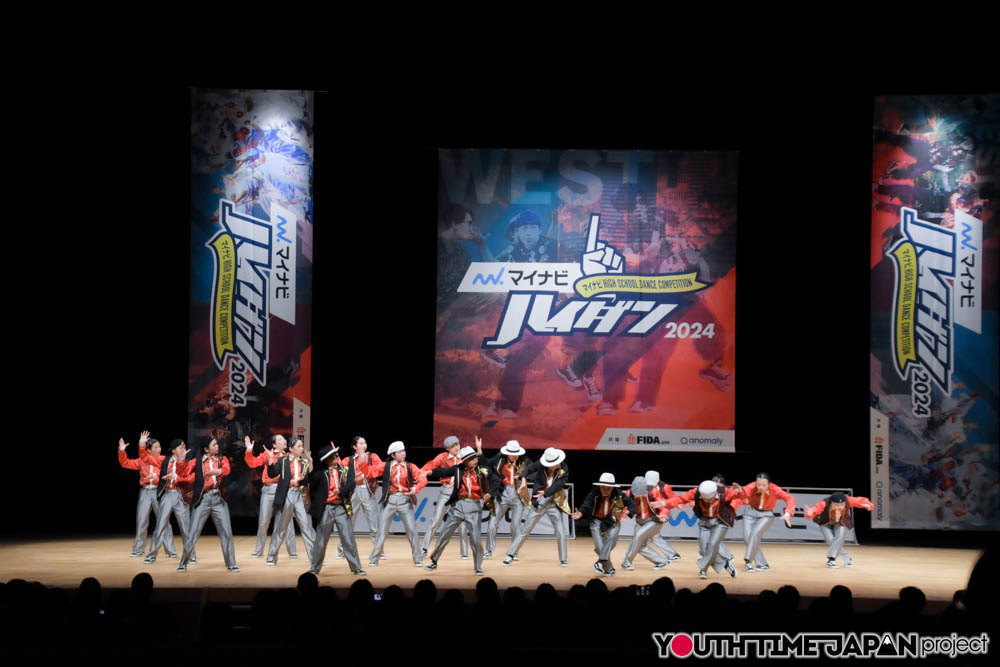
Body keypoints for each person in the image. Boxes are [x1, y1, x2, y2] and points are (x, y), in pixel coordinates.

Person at [423, 446, 495, 575]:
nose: (475, 461)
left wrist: (489, 493)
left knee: (476, 539)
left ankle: (478, 566)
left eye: (475, 458)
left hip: (474, 506)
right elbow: (442, 471)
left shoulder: (482, 470)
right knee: (444, 534)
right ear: (465, 461)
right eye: (472, 459)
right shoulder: (458, 469)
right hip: (458, 506)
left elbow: (496, 480)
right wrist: (428, 472)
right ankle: (434, 560)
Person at [177, 437, 238, 572]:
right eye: (214, 445)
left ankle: (231, 563)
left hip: (218, 499)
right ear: (206, 449)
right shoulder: (197, 462)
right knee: (193, 532)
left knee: (226, 532)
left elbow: (227, 469)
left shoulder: (221, 460)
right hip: (203, 499)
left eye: (216, 444)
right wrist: (181, 460)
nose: (217, 446)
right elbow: (184, 472)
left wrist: (218, 471)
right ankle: (183, 563)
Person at [502, 447, 570, 567]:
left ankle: (563, 559)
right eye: (555, 463)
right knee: (525, 530)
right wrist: (523, 480)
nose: (558, 464)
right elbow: (528, 469)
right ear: (549, 465)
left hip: (553, 502)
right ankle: (510, 555)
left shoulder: (564, 468)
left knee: (561, 532)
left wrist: (546, 492)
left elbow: (560, 484)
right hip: (538, 502)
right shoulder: (541, 464)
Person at [665, 479, 746, 579]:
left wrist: (741, 491)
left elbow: (742, 498)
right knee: (703, 549)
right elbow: (680, 499)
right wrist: (664, 504)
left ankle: (703, 570)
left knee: (712, 545)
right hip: (704, 522)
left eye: (710, 499)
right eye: (704, 499)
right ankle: (725, 563)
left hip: (721, 521)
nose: (707, 501)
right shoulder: (696, 492)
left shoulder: (725, 492)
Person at [366, 441, 427, 567]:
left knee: (412, 530)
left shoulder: (410, 466)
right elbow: (370, 472)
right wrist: (362, 462)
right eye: (400, 452)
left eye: (403, 451)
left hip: (405, 500)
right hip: (390, 500)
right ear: (393, 455)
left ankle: (418, 558)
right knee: (382, 530)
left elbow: (423, 478)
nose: (403, 453)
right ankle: (374, 558)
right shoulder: (386, 466)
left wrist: (416, 489)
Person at [307, 443, 364, 575]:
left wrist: (341, 492)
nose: (337, 457)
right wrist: (310, 461)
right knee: (321, 541)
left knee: (348, 539)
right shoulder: (321, 474)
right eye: (333, 456)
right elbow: (309, 480)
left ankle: (356, 567)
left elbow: (351, 483)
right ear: (327, 460)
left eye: (337, 455)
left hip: (341, 507)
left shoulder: (344, 470)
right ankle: (315, 568)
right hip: (327, 508)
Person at [118, 431, 175, 557]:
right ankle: (138, 549)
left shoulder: (163, 460)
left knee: (164, 521)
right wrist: (122, 450)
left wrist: (156, 477)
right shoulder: (141, 461)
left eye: (159, 446)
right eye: (156, 447)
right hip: (145, 492)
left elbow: (170, 474)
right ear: (148, 450)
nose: (159, 449)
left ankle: (171, 550)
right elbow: (125, 463)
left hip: (159, 492)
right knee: (142, 520)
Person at [244, 434, 297, 558]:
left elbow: (294, 473)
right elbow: (252, 463)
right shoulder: (267, 454)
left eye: (284, 439)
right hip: (268, 490)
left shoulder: (288, 457)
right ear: (274, 444)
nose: (284, 441)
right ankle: (259, 550)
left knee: (288, 522)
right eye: (280, 439)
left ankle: (292, 551)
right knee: (263, 521)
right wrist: (249, 450)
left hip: (283, 490)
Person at [570, 472, 635, 575]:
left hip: (613, 521)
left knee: (611, 541)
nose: (604, 490)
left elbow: (632, 505)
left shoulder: (619, 495)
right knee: (599, 547)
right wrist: (580, 513)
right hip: (596, 521)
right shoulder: (594, 493)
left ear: (612, 488)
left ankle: (600, 562)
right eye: (602, 487)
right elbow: (586, 504)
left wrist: (628, 512)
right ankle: (608, 568)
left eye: (608, 488)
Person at [266, 437, 316, 566]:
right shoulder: (283, 461)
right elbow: (272, 474)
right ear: (291, 449)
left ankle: (314, 558)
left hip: (299, 494)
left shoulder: (304, 461)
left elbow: (308, 478)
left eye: (302, 446)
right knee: (281, 528)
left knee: (306, 527)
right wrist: (270, 461)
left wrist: (304, 474)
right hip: (287, 494)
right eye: (299, 446)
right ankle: (272, 556)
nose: (301, 448)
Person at [143, 439, 196, 564]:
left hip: (180, 495)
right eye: (180, 447)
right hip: (167, 494)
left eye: (184, 447)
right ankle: (152, 555)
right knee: (160, 525)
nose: (183, 449)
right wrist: (156, 476)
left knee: (185, 527)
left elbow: (190, 477)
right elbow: (147, 459)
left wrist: (181, 464)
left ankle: (191, 555)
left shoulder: (187, 462)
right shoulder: (165, 460)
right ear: (173, 450)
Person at [419, 435, 470, 559]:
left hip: (460, 493)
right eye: (453, 446)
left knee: (462, 523)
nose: (456, 448)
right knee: (436, 520)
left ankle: (464, 552)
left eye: (457, 444)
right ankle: (424, 548)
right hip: (446, 491)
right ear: (447, 448)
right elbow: (431, 465)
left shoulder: (464, 455)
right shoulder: (442, 457)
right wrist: (421, 472)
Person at [336, 436, 383, 561]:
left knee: (373, 521)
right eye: (361, 443)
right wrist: (335, 455)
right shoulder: (349, 459)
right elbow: (339, 469)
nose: (364, 445)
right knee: (349, 521)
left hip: (367, 490)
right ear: (354, 447)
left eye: (365, 443)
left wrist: (367, 467)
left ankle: (378, 550)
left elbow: (380, 468)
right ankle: (343, 549)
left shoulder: (372, 457)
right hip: (353, 491)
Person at [483, 440, 531, 558]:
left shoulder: (525, 460)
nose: (514, 456)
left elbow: (535, 471)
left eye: (516, 453)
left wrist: (524, 477)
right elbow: (486, 465)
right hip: (503, 493)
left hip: (518, 494)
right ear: (507, 453)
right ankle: (489, 550)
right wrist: (496, 479)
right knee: (492, 523)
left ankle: (514, 552)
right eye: (512, 453)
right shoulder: (499, 459)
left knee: (515, 525)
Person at [738, 472, 795, 572]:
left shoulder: (775, 489)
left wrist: (788, 513)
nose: (760, 487)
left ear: (769, 484)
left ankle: (748, 562)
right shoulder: (751, 487)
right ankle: (763, 564)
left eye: (764, 485)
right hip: (750, 512)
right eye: (758, 484)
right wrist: (739, 492)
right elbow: (743, 493)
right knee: (748, 539)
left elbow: (789, 498)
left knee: (755, 533)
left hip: (766, 515)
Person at [804, 492, 873, 568]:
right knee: (831, 541)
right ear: (831, 502)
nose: (840, 507)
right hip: (825, 522)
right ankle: (847, 558)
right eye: (837, 505)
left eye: (842, 505)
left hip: (841, 522)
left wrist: (868, 505)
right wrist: (809, 513)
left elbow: (861, 500)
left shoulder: (848, 500)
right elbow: (815, 510)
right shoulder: (824, 503)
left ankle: (831, 560)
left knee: (839, 537)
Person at [621, 476, 670, 571]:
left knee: (638, 536)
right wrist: (623, 514)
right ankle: (661, 561)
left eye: (641, 494)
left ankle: (626, 562)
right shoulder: (629, 493)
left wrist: (663, 514)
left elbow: (663, 505)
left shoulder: (653, 491)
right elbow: (623, 506)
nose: (639, 496)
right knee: (638, 545)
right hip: (639, 521)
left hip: (654, 520)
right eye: (637, 494)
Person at [644, 470, 681, 562]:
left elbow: (672, 499)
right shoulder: (646, 486)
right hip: (651, 512)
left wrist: (663, 514)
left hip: (661, 512)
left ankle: (672, 555)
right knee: (651, 534)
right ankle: (672, 555)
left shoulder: (664, 487)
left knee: (652, 534)